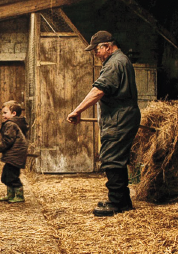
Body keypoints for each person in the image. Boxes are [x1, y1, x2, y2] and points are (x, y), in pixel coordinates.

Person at [67, 31, 141, 216]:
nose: (95, 54)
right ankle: (123, 201)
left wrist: (77, 110)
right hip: (122, 116)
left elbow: (98, 91)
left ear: (107, 46)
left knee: (111, 158)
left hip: (119, 118)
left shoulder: (115, 63)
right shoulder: (120, 60)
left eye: (96, 50)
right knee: (116, 157)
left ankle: (116, 203)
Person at [0, 100, 29, 203]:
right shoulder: (15, 123)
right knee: (5, 176)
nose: (3, 115)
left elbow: (7, 141)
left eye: (5, 113)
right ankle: (10, 194)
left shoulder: (11, 124)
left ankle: (19, 196)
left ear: (13, 113)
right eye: (2, 113)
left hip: (15, 155)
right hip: (14, 155)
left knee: (11, 176)